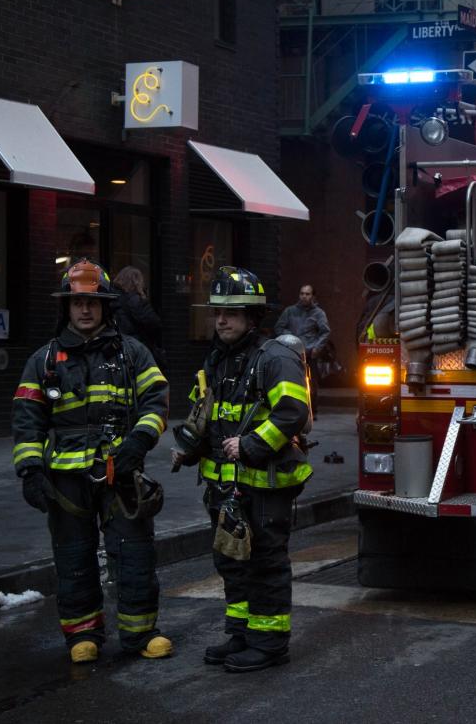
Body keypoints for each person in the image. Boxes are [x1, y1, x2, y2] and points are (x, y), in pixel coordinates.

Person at [11, 259, 172, 664]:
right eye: (77, 302)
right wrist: (30, 470)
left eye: (93, 302)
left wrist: (139, 441)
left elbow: (157, 400)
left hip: (120, 469)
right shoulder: (43, 361)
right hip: (65, 480)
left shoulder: (132, 353)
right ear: (66, 307)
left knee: (133, 551)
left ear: (105, 306)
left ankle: (140, 634)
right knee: (73, 555)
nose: (85, 310)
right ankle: (82, 635)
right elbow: (26, 420)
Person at [172, 266, 312, 673]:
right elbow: (207, 415)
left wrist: (250, 445)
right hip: (224, 489)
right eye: (218, 312)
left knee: (265, 563)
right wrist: (189, 448)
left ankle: (269, 643)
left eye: (232, 313)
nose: (221, 320)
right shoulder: (217, 360)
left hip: (266, 486)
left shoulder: (275, 358)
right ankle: (242, 634)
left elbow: (292, 413)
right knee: (231, 561)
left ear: (254, 316)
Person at [274, 284, 331, 417]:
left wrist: (318, 347)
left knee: (311, 384)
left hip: (310, 354)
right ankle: (292, 410)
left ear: (313, 296)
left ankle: (312, 411)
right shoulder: (290, 311)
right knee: (291, 382)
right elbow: (279, 328)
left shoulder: (318, 313)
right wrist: (289, 338)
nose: (304, 296)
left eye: (307, 294)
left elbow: (325, 332)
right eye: (302, 294)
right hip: (292, 353)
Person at [112, 266, 168, 377]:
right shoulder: (135, 300)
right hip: (136, 350)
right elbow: (154, 323)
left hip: (116, 349)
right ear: (137, 282)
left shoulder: (111, 299)